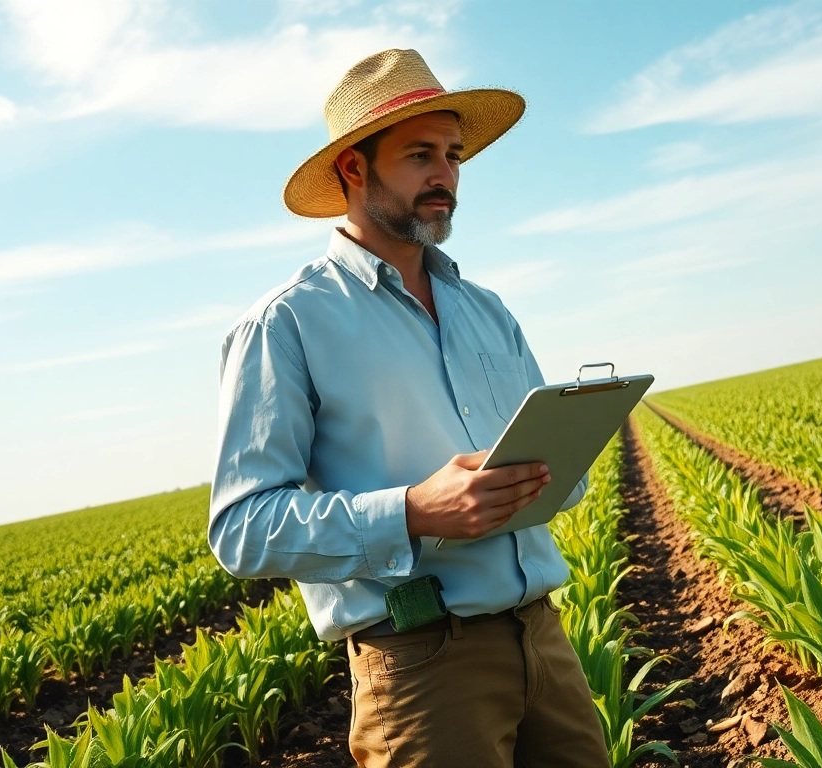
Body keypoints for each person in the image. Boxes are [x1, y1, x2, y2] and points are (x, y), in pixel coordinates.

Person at [206, 48, 608, 767]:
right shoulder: (287, 324)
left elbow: (557, 479)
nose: (444, 175)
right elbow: (242, 529)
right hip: (422, 665)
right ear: (352, 169)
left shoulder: (486, 309)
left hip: (543, 640)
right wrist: (413, 511)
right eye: (420, 155)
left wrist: (551, 470)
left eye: (453, 155)